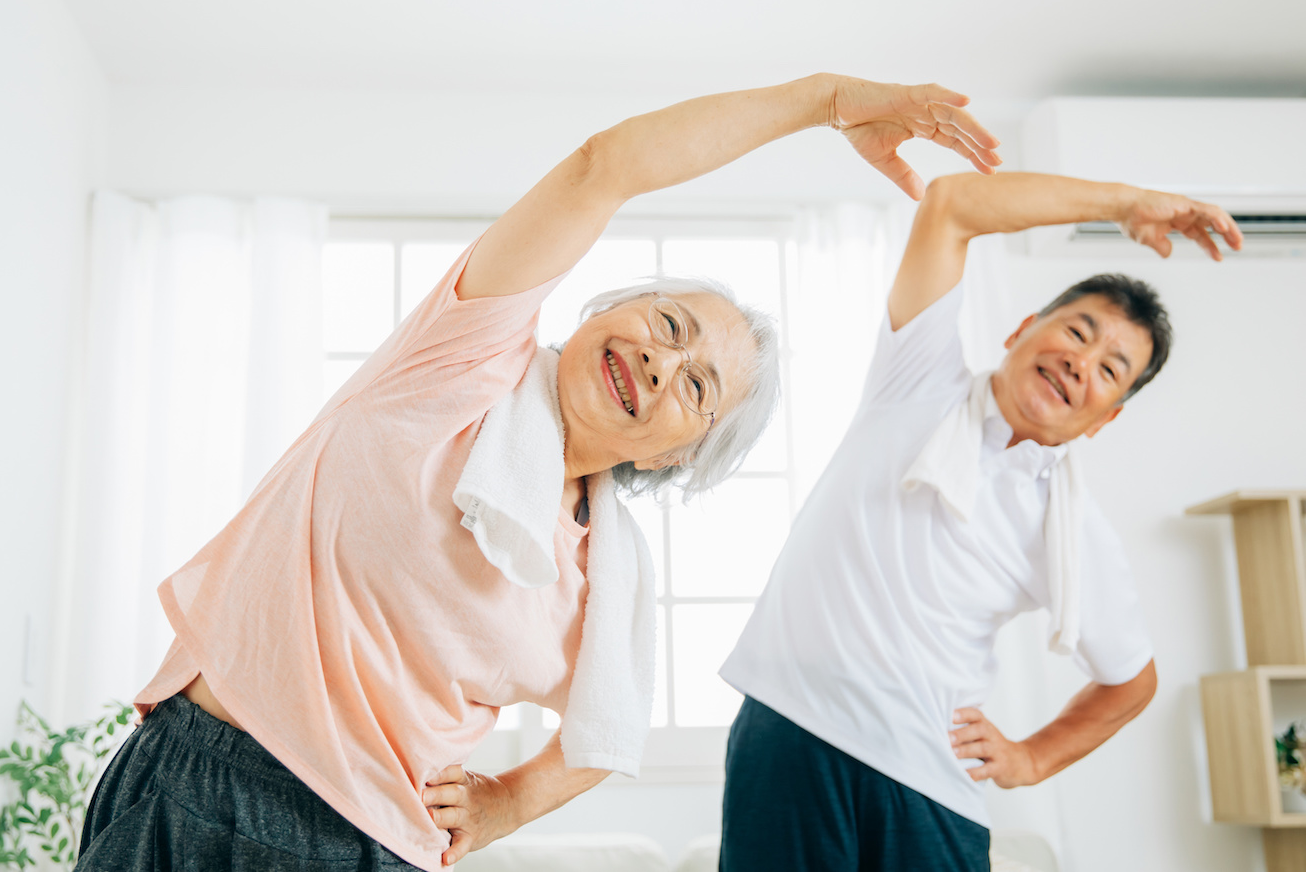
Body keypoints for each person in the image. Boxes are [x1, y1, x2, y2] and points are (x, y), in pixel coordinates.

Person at [75, 73, 1003, 872]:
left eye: (697, 386)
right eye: (667, 325)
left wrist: (509, 802)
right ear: (610, 309)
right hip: (199, 779)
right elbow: (608, 166)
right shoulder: (462, 361)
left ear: (675, 454)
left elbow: (604, 733)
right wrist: (826, 100)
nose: (658, 362)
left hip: (371, 843)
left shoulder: (601, 576)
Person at [718, 171, 1244, 871]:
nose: (1078, 362)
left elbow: (1131, 681)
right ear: (1025, 329)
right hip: (792, 732)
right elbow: (951, 205)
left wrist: (1032, 757)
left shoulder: (1072, 529)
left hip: (930, 786)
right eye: (1076, 331)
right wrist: (1124, 203)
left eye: (1109, 368)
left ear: (1106, 416)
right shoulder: (918, 377)